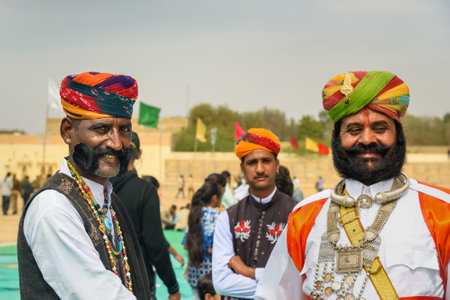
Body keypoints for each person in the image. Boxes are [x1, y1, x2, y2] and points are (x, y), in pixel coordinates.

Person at [255, 71, 450, 299]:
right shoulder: (303, 217)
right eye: (354, 130)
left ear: (399, 134)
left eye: (380, 128)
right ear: (336, 137)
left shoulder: (442, 210)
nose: (367, 139)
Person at [17, 72, 150, 299]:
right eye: (102, 129)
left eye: (124, 130)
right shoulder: (53, 207)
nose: (117, 143)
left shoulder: (107, 198)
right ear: (68, 131)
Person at [212, 128, 297, 299]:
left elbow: (297, 279)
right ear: (242, 169)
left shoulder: (297, 214)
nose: (259, 169)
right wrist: (276, 286)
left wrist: (248, 272)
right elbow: (221, 282)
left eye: (266, 161)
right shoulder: (228, 218)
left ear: (277, 165)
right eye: (252, 163)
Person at [111, 131, 181, 300]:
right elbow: (155, 244)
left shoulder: (101, 187)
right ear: (139, 154)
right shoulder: (145, 191)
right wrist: (172, 286)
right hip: (138, 280)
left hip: (105, 279)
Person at [185, 181, 222, 299]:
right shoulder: (218, 216)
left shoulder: (194, 214)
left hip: (194, 269)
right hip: (210, 275)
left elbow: (186, 244)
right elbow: (212, 248)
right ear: (215, 198)